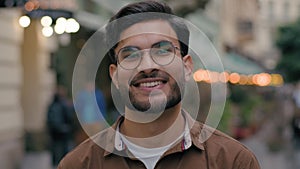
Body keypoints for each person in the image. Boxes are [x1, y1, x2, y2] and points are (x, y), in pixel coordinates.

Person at [58, 1, 260, 169]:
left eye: (162, 51)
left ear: (187, 66)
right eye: (130, 54)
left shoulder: (233, 162)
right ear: (115, 75)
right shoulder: (78, 165)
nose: (147, 66)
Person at [46, 86, 75, 167]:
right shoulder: (65, 104)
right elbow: (70, 117)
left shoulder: (51, 105)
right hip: (63, 133)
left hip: (55, 133)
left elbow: (49, 120)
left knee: (56, 153)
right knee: (63, 152)